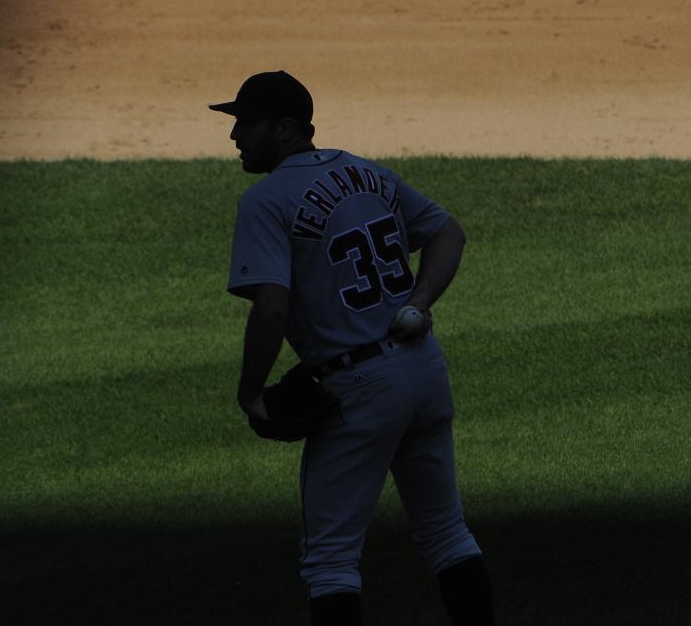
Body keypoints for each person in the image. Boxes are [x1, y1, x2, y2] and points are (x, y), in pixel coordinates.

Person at [210, 70, 497, 625]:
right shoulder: (369, 173)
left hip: (358, 389)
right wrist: (420, 300)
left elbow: (271, 307)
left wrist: (250, 393)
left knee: (331, 561)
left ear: (287, 128)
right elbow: (447, 232)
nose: (235, 136)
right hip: (422, 369)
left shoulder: (266, 201)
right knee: (446, 534)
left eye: (247, 124)